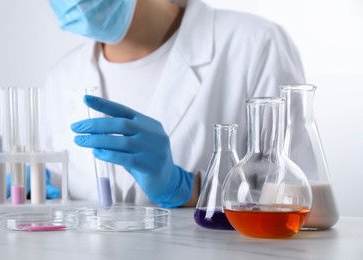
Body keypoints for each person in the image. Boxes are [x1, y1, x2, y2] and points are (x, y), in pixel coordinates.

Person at [43, 0, 305, 208]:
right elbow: (59, 184)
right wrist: (33, 189)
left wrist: (191, 190)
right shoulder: (62, 77)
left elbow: (296, 198)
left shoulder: (255, 44)